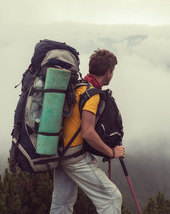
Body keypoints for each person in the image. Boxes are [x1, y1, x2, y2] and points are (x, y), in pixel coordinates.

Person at [50, 49, 125, 214]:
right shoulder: (92, 94)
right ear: (108, 72)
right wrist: (111, 152)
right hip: (75, 157)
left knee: (62, 204)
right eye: (112, 72)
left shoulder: (78, 86)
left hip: (60, 154)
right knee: (112, 198)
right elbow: (88, 133)